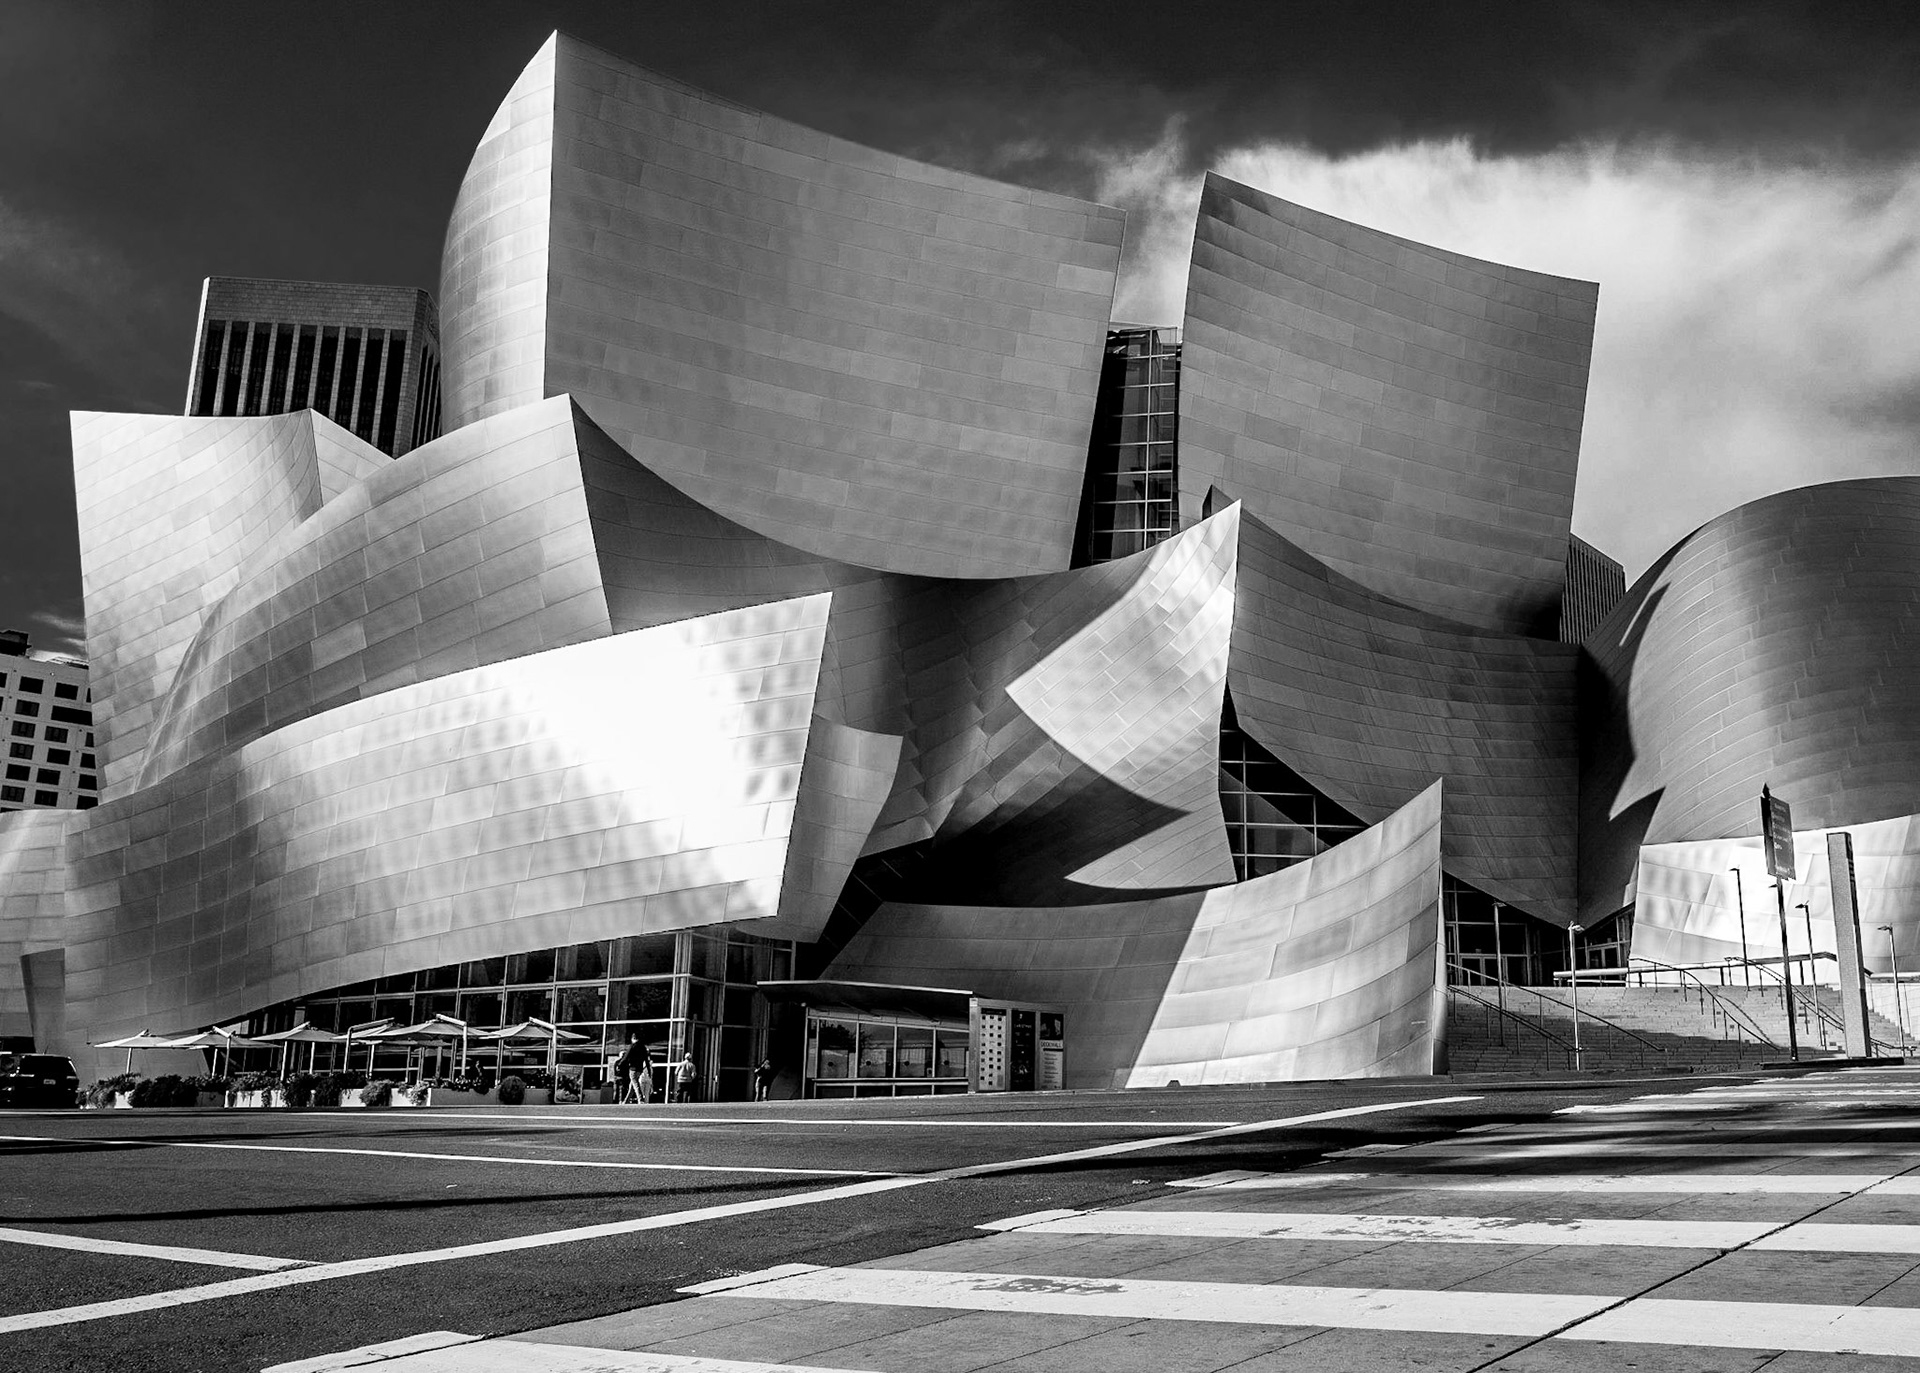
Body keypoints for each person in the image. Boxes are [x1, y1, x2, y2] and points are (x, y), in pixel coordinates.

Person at [612, 1033, 644, 1104]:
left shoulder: (632, 1046)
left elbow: (626, 1057)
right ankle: (626, 1100)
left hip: (633, 1069)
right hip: (640, 1069)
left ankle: (640, 1099)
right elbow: (646, 1060)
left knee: (635, 1084)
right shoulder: (642, 1047)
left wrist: (619, 1065)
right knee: (632, 1086)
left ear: (633, 1039)